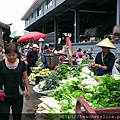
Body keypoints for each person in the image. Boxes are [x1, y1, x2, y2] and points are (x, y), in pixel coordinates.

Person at [0, 42, 30, 120]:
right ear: (5, 54)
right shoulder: (1, 64)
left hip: (18, 95)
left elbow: (25, 78)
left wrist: (28, 91)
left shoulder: (22, 64)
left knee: (17, 116)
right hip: (3, 95)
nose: (11, 57)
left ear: (17, 54)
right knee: (3, 116)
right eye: (9, 55)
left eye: (13, 55)